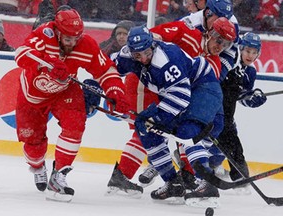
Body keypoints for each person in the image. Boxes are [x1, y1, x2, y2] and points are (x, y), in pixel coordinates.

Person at [14, 8, 129, 202]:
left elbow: (106, 69)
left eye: (77, 38)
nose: (73, 43)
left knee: (75, 124)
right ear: (57, 32)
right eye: (68, 39)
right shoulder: (44, 33)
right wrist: (47, 62)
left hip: (64, 91)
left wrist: (115, 90)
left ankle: (58, 176)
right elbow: (21, 54)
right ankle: (37, 166)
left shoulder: (86, 45)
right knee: (34, 147)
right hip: (32, 96)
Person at [113, 25, 223, 207]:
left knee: (188, 130)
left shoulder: (166, 58)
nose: (143, 58)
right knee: (148, 132)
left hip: (204, 87)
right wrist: (94, 85)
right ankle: (173, 184)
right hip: (178, 95)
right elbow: (106, 66)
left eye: (147, 52)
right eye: (137, 55)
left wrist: (156, 115)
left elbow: (181, 96)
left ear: (153, 46)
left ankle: (207, 183)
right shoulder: (129, 54)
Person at [215, 32, 267, 193]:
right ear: (240, 49)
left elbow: (241, 97)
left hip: (227, 115)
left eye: (254, 52)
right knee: (226, 139)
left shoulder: (250, 73)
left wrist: (252, 100)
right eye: (247, 51)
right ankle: (238, 176)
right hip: (213, 110)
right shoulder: (228, 63)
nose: (250, 55)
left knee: (231, 140)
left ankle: (238, 176)